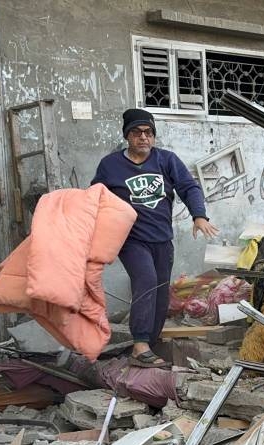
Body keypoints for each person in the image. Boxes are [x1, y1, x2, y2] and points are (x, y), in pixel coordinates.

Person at [91, 109, 219, 367]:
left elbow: (188, 187)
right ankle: (139, 344)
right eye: (137, 132)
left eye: (148, 133)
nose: (143, 138)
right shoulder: (110, 165)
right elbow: (94, 198)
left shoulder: (166, 160)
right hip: (130, 240)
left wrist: (199, 215)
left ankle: (150, 341)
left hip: (161, 239)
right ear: (127, 135)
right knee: (146, 280)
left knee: (161, 292)